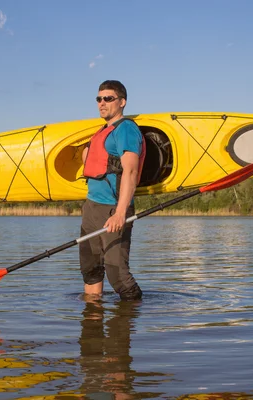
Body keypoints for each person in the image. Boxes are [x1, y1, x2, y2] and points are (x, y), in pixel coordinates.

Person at [79, 80, 144, 301]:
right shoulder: (102, 131)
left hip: (112, 209)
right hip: (91, 207)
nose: (102, 103)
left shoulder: (125, 129)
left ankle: (132, 319)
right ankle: (92, 329)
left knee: (117, 273)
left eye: (108, 98)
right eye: (99, 99)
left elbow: (131, 172)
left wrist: (120, 213)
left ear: (122, 102)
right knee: (90, 269)